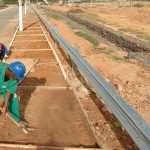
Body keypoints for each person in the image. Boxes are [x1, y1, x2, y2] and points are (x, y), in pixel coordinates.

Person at [0, 61, 27, 127]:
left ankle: (17, 119)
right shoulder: (1, 67)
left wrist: (5, 105)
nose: (18, 78)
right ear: (12, 73)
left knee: (13, 99)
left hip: (3, 87)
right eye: (17, 76)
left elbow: (9, 90)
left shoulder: (15, 80)